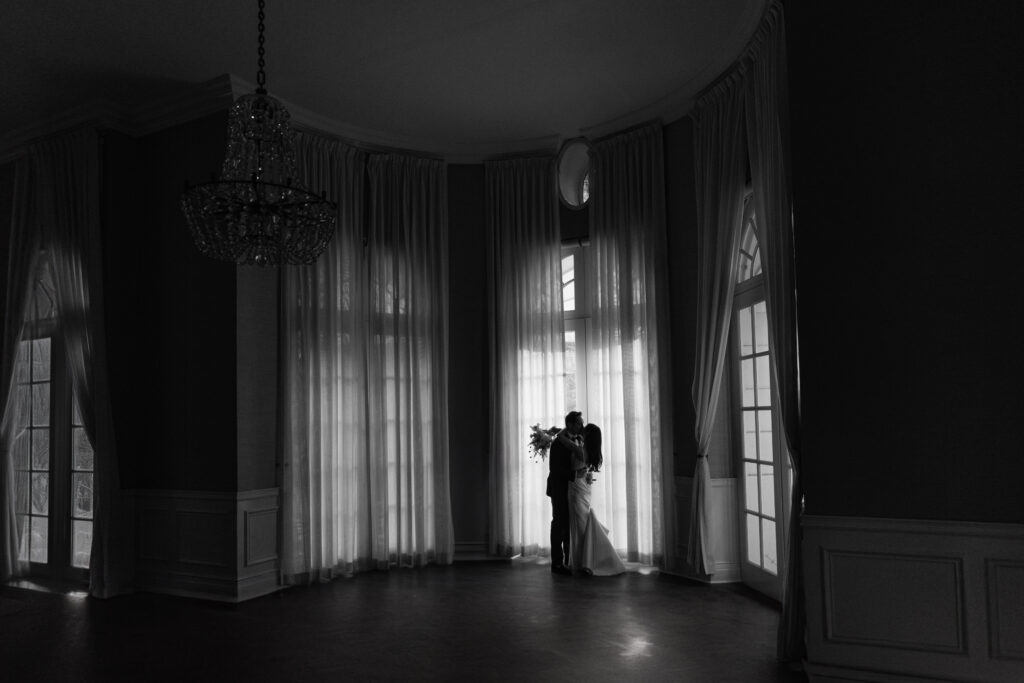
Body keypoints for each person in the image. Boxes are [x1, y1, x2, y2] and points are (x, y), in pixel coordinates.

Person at [557, 423, 625, 576]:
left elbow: (560, 437)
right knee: (580, 524)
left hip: (576, 489)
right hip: (583, 487)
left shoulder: (580, 450)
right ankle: (583, 561)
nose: (582, 432)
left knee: (578, 525)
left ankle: (582, 563)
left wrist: (569, 428)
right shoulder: (587, 450)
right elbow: (585, 469)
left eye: (584, 431)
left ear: (588, 436)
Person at [546, 410, 583, 575]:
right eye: (578, 423)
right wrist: (575, 474)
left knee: (569, 524)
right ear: (569, 424)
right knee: (559, 524)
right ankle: (557, 563)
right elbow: (555, 469)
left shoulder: (577, 439)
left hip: (572, 489)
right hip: (559, 488)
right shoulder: (558, 443)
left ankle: (569, 559)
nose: (580, 426)